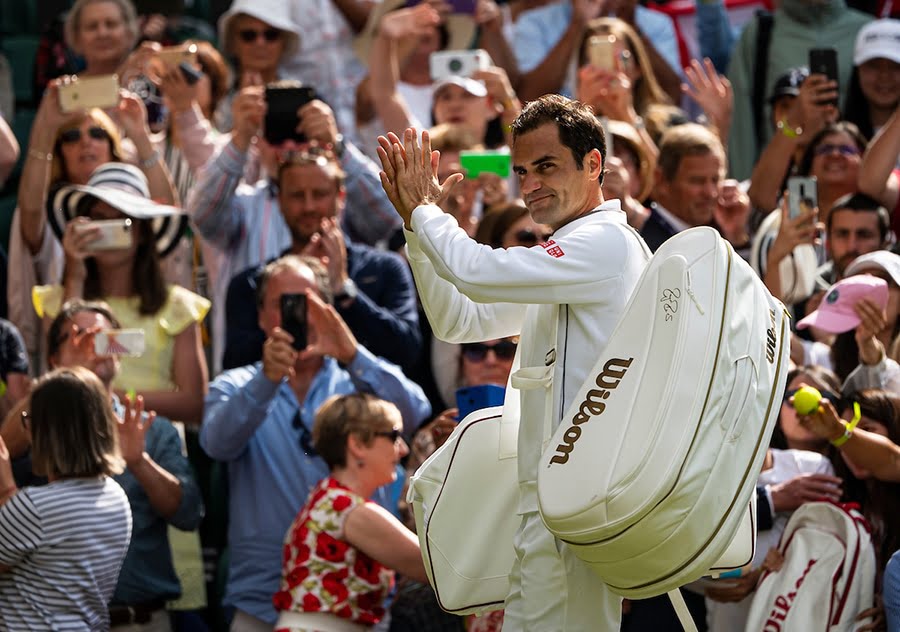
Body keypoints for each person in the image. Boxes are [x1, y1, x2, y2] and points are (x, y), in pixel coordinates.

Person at [377, 94, 650, 629]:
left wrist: (427, 212)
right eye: (522, 171)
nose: (529, 186)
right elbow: (461, 320)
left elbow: (475, 271)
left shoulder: (603, 243)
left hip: (577, 501)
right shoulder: (576, 252)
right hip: (551, 504)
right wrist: (416, 229)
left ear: (594, 164)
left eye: (546, 166)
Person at [200, 255, 430, 631]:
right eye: (283, 304)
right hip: (259, 602)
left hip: (359, 609)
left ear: (326, 309)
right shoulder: (236, 385)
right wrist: (266, 383)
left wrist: (353, 354)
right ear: (261, 317)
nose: (296, 315)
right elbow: (216, 444)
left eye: (305, 302)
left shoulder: (357, 382)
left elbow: (414, 410)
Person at [40, 300, 203, 631]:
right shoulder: (37, 429)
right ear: (54, 359)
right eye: (80, 336)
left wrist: (139, 462)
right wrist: (74, 381)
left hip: (142, 620)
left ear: (119, 348)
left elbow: (188, 514)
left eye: (104, 337)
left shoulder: (153, 429)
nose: (94, 345)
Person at [33, 162, 209, 426]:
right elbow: (59, 372)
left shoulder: (178, 305)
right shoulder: (57, 301)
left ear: (141, 233)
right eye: (98, 220)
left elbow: (194, 403)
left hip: (155, 446)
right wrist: (74, 273)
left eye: (122, 221)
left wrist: (108, 397)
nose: (108, 230)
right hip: (82, 442)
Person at [220, 147, 421, 373]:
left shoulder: (385, 269)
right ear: (280, 201)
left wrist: (344, 290)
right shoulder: (250, 284)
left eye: (320, 194)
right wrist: (292, 283)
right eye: (297, 195)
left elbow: (407, 351)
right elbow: (236, 364)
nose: (309, 206)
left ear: (341, 196)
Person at [273, 393, 428, 631]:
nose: (404, 449)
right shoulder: (349, 509)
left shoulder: (330, 498)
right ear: (357, 444)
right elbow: (432, 567)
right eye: (394, 436)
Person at [0, 366, 132, 630]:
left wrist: (5, 487)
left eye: (29, 420)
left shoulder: (35, 508)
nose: (27, 433)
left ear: (49, 432)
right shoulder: (117, 497)